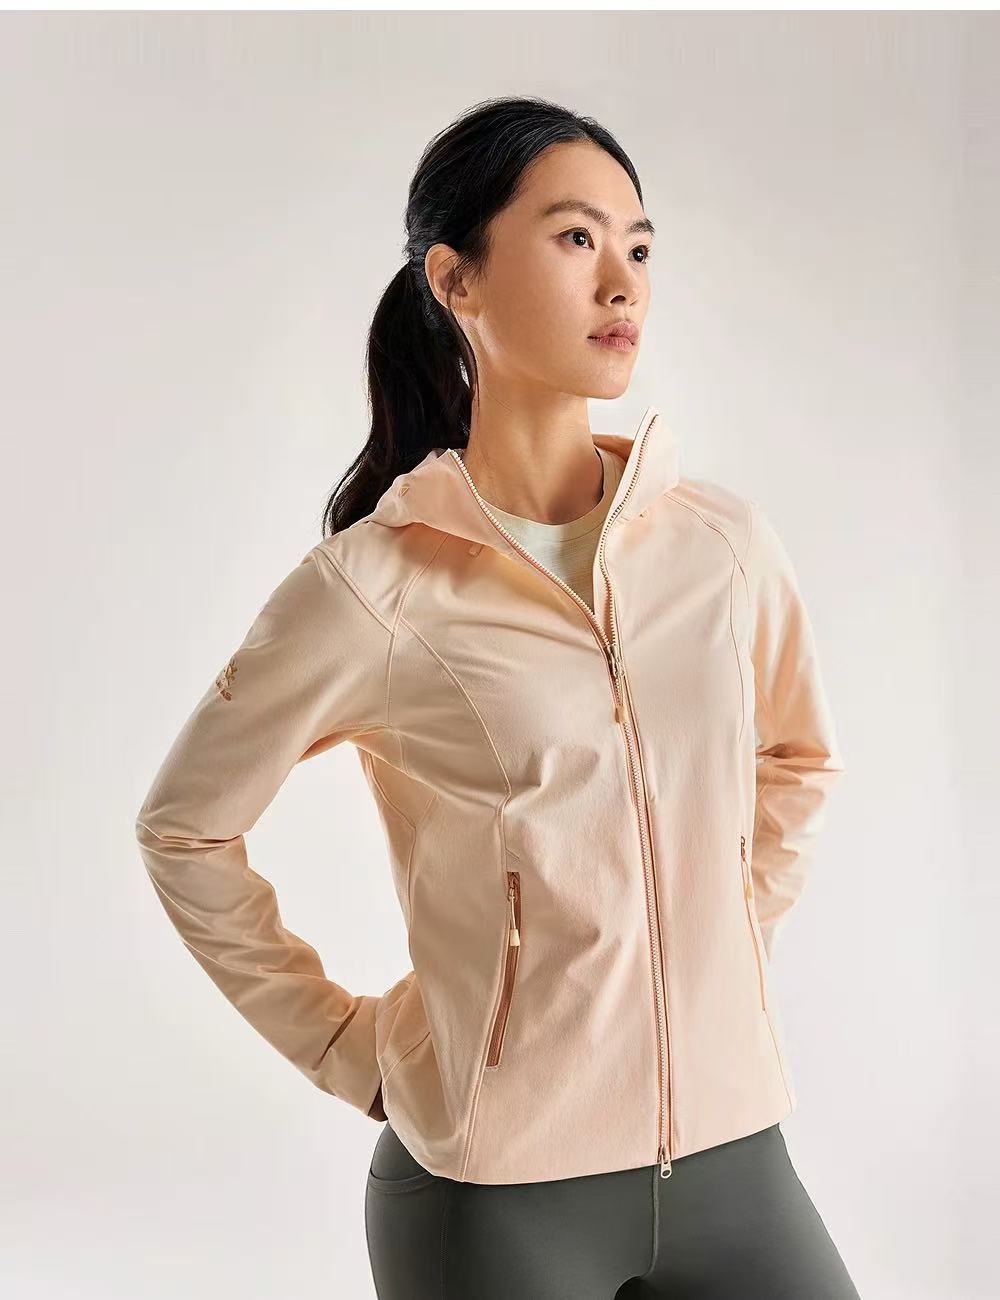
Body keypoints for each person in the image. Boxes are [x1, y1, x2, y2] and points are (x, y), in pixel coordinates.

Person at [135, 95, 860, 1298]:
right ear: (454, 278)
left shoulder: (723, 547)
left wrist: (717, 938)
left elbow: (797, 761)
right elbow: (184, 828)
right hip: (495, 1196)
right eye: (575, 238)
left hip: (737, 1160)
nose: (621, 283)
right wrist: (343, 1042)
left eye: (638, 247)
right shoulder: (375, 587)